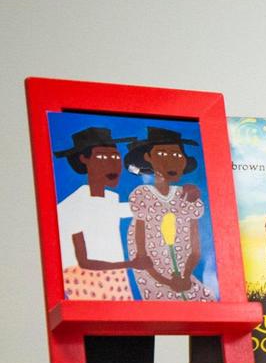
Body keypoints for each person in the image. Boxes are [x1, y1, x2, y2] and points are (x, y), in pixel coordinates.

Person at [52, 126, 146, 300]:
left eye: (115, 157)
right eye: (102, 157)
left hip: (116, 279)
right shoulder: (70, 207)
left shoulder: (110, 199)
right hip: (85, 282)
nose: (112, 163)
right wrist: (131, 264)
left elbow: (130, 209)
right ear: (83, 159)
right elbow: (84, 263)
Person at [125, 127, 214, 301]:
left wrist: (185, 277)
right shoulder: (143, 196)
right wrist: (166, 281)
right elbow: (141, 254)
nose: (171, 161)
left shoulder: (188, 196)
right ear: (148, 158)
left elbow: (196, 250)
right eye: (163, 154)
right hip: (155, 278)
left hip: (185, 277)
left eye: (176, 155)